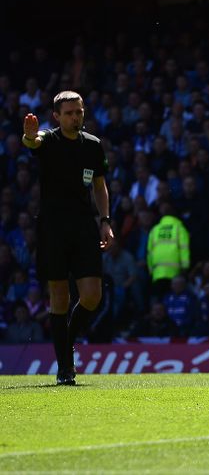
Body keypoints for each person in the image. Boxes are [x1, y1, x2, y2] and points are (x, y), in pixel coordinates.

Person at [21, 91, 114, 385]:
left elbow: (99, 186)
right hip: (53, 228)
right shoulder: (48, 141)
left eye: (79, 111)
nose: (76, 116)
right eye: (69, 112)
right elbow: (32, 143)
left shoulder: (93, 146)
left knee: (92, 296)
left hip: (84, 226)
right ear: (57, 117)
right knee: (59, 297)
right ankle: (65, 368)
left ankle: (67, 340)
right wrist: (29, 136)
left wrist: (105, 220)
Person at [147, 203, 190, 299]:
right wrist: (185, 269)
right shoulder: (180, 229)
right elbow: (184, 249)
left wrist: (151, 271)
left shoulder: (154, 230)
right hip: (175, 274)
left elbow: (149, 253)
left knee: (160, 302)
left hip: (158, 274)